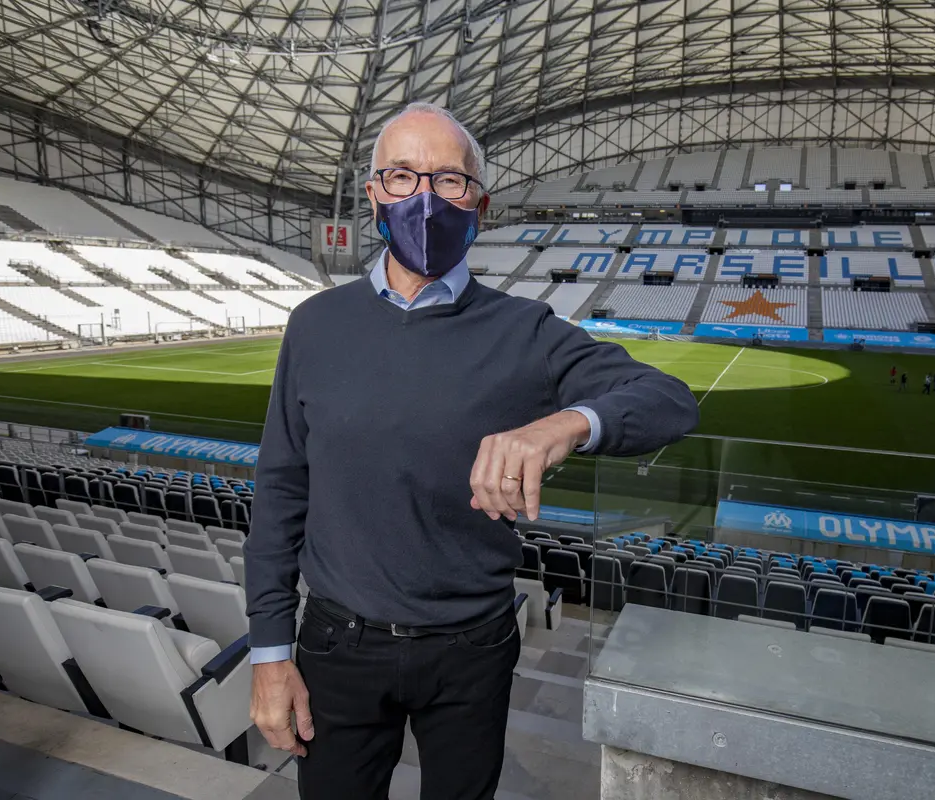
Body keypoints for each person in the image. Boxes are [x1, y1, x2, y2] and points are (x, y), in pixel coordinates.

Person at [244, 102, 699, 800]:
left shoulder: (526, 331)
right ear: (373, 197)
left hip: (471, 649)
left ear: (479, 204)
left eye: (449, 181)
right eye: (402, 177)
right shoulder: (314, 326)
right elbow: (279, 489)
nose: (424, 199)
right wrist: (271, 653)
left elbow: (669, 399)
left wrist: (565, 423)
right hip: (337, 644)